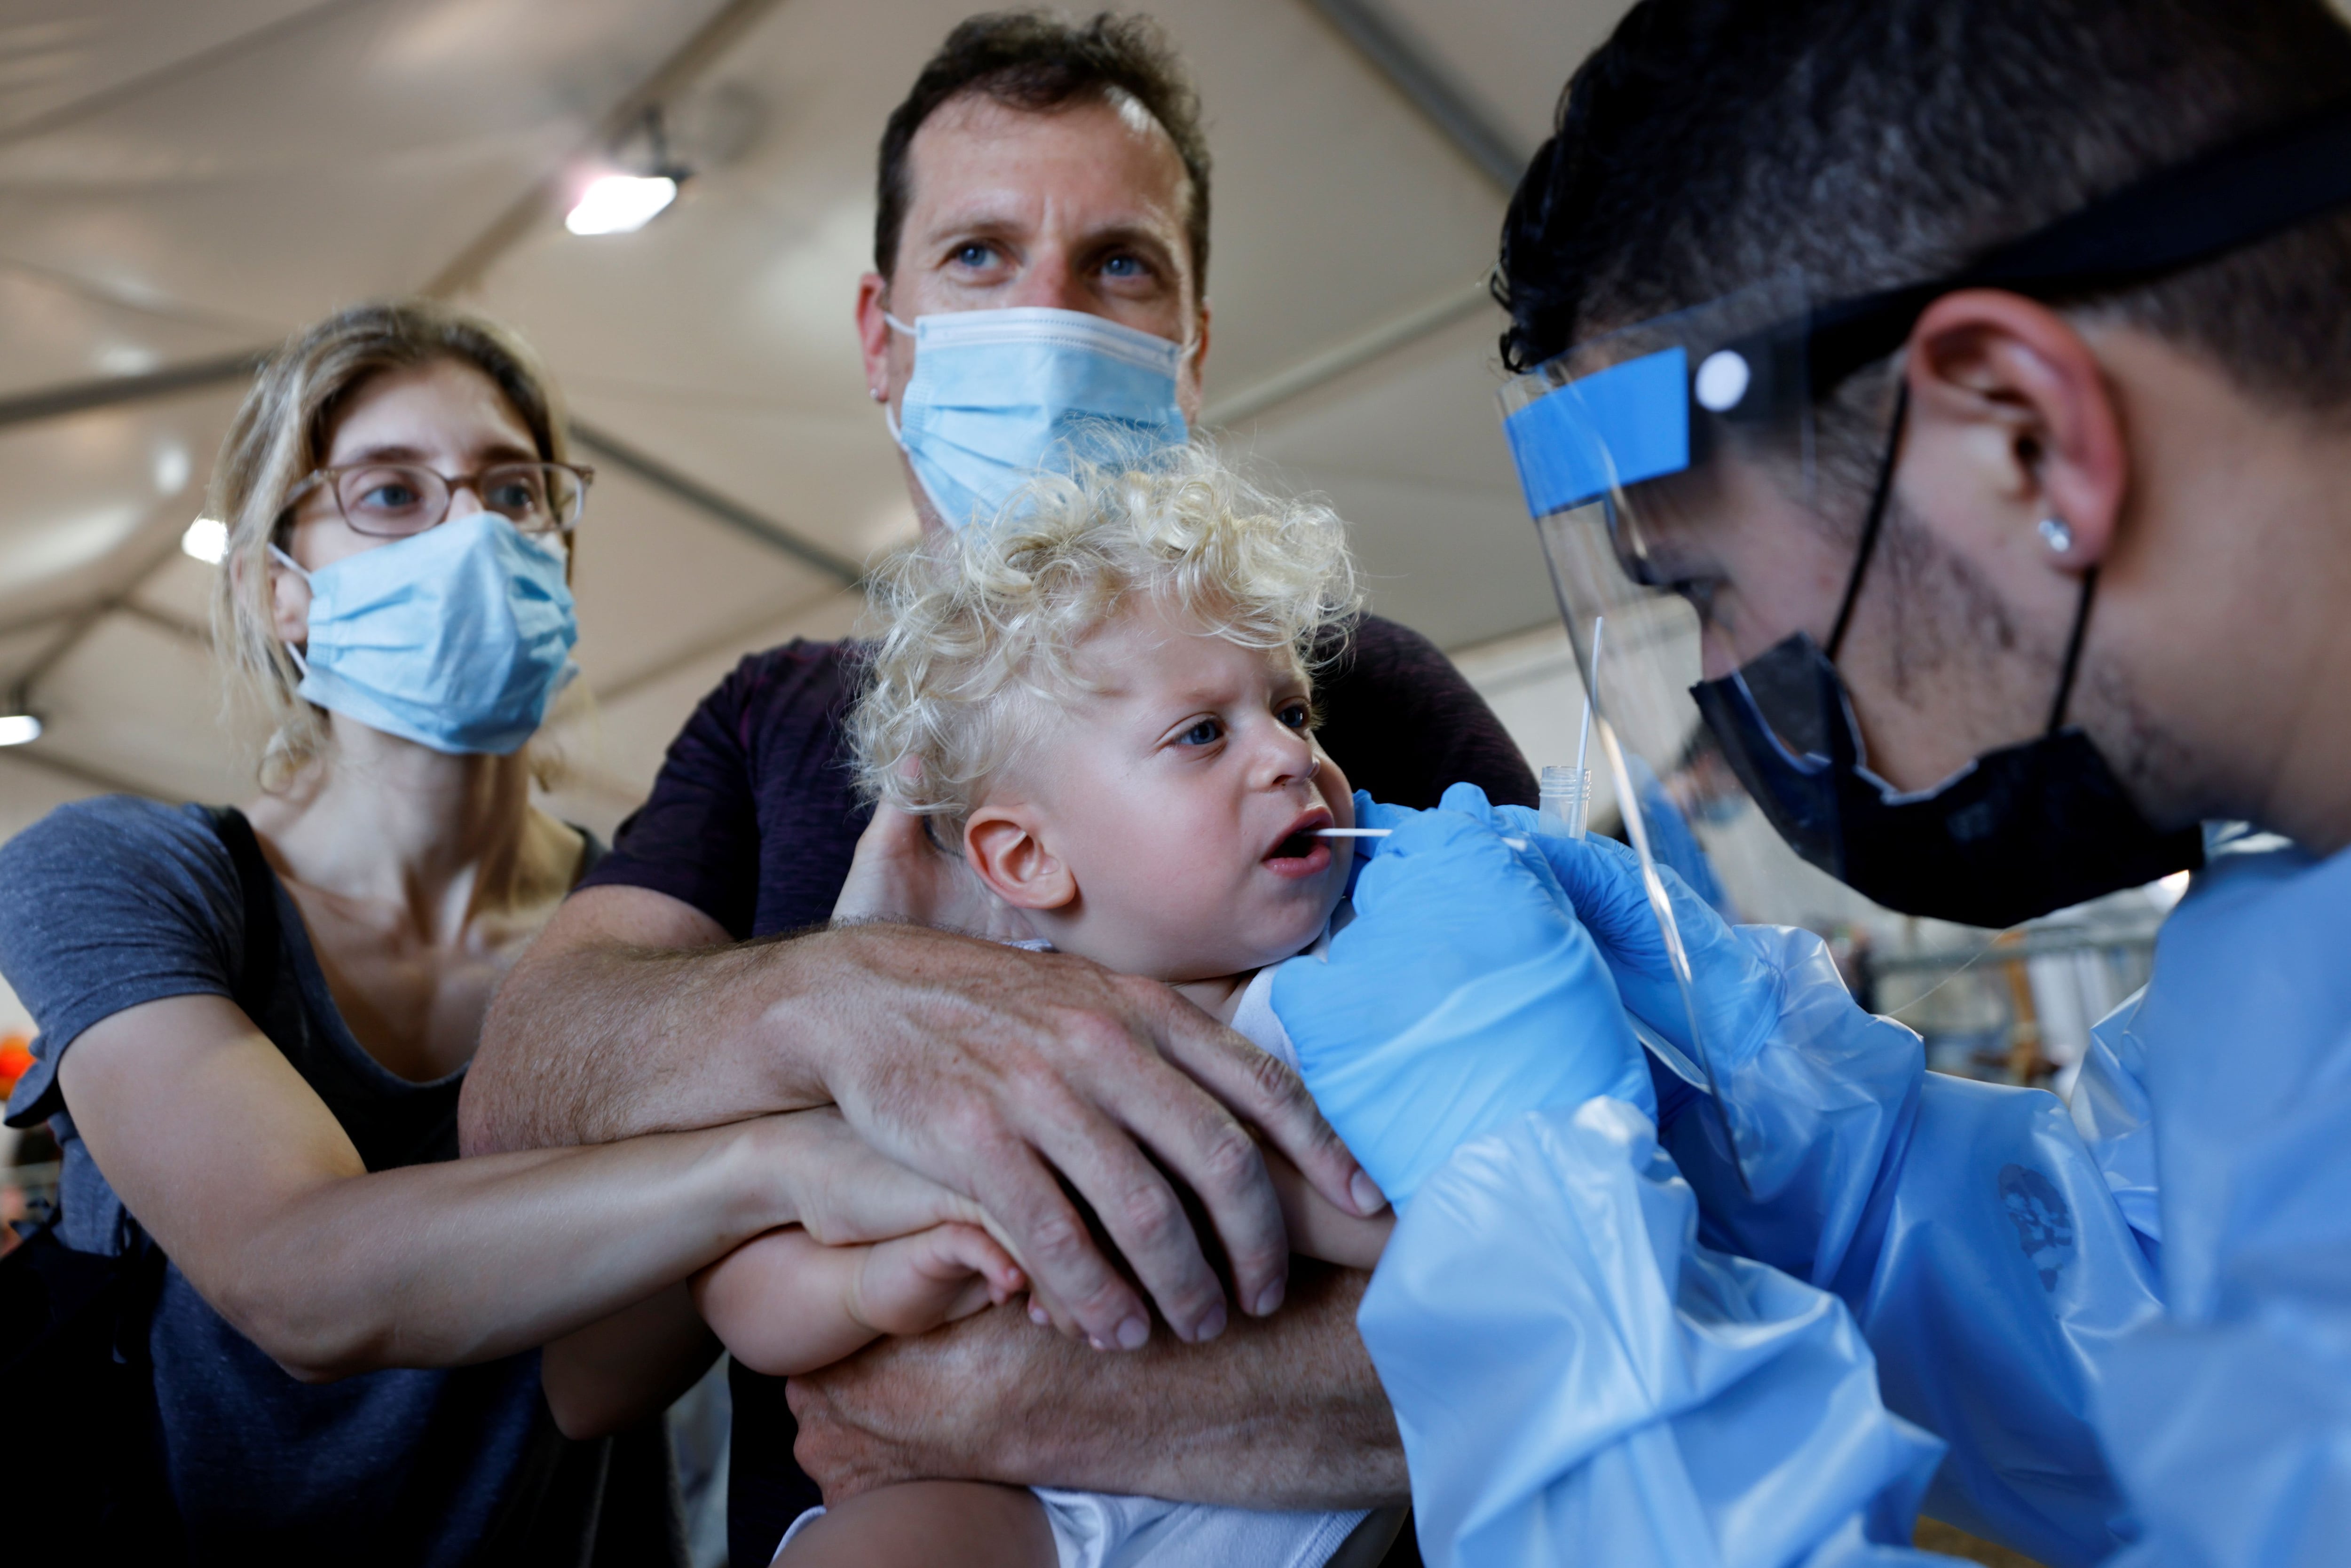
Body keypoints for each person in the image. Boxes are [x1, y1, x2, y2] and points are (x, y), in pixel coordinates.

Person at [1269, 0, 2351, 1563]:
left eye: (1703, 582)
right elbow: (2156, 1333)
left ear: (2021, 435)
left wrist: (1558, 1283)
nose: (1721, 689)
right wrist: (1796, 1136)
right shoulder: (2294, 933)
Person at [462, 14, 1532, 1559]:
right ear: (881, 336)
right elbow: (527, 1088)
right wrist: (841, 1001)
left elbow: (1646, 1219)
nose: (1046, 315)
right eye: (977, 255)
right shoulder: (774, 723)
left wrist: (1004, 1396)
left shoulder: (1353, 692)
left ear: (1192, 345)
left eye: (1118, 263)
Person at [0, 301, 995, 1561]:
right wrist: (770, 1155)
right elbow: (295, 1275)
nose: (472, 533)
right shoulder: (118, 875)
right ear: (278, 589)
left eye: (513, 493)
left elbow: (598, 1381)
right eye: (391, 495)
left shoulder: (643, 926)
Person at [699, 441, 1394, 1568]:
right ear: (1026, 857)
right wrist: (875, 1279)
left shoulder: (1371, 969)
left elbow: (1490, 1228)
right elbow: (747, 1298)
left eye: (1292, 711)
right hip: (1018, 1506)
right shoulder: (962, 1031)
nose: (1288, 758)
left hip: (1283, 1490)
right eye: (1201, 733)